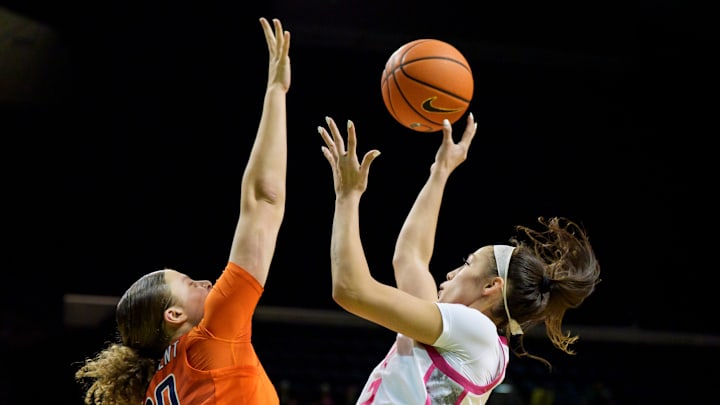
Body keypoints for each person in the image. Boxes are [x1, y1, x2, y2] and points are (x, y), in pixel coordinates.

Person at [75, 16, 290, 405]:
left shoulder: (155, 389)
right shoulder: (211, 337)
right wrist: (276, 90)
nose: (207, 283)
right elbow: (262, 201)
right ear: (173, 315)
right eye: (190, 283)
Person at [318, 114, 601, 404]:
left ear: (491, 285)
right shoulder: (466, 336)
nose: (452, 273)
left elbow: (351, 290)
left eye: (467, 263)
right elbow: (410, 258)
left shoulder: (475, 330)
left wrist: (347, 197)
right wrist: (440, 171)